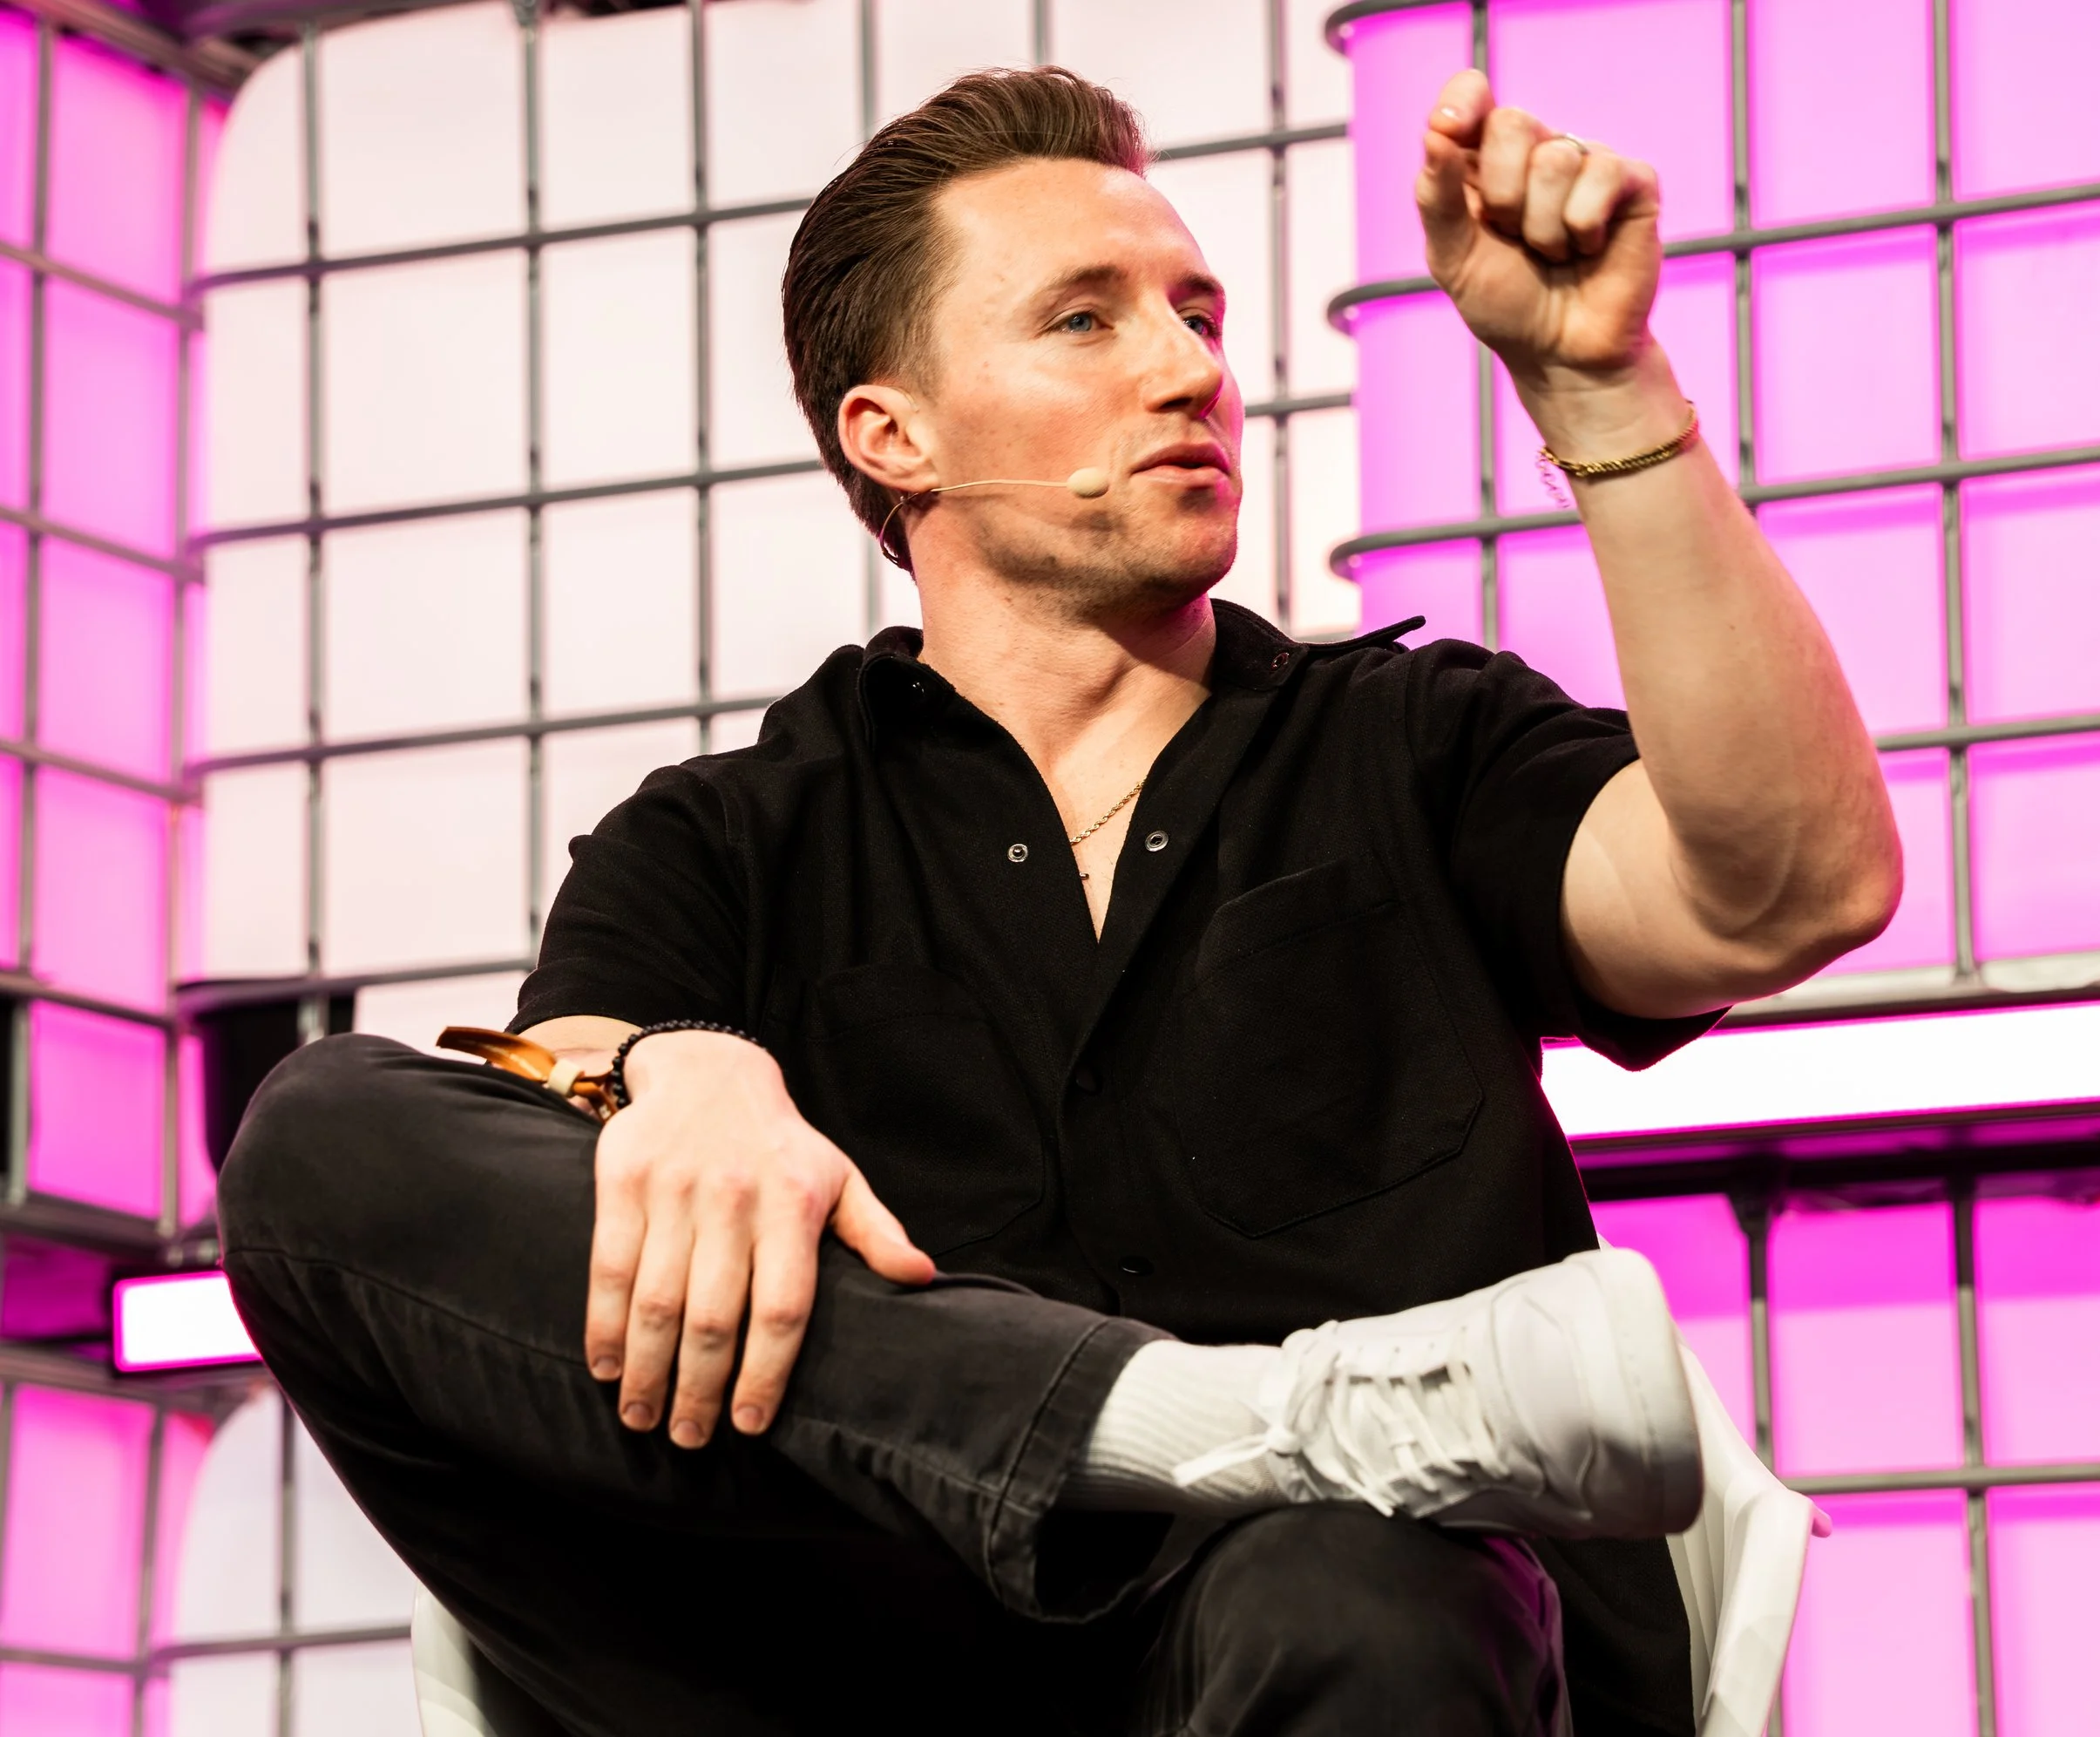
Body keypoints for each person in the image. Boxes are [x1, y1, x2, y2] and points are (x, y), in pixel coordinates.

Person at [218, 63, 1899, 1737]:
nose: (1190, 369)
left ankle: (1274, 1455)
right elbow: (562, 1083)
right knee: (317, 1138)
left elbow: (1784, 894)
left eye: (1197, 312)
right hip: (878, 1651)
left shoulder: (1414, 748)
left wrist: (1596, 381)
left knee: (1355, 1577)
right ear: (896, 435)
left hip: (1359, 1631)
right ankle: (1228, 1417)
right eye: (1085, 321)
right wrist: (678, 1066)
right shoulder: (731, 838)